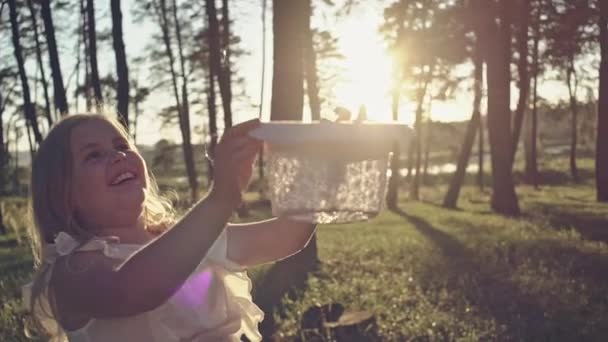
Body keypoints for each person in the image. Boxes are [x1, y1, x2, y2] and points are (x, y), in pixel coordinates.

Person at [22, 113, 317, 341]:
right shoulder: (71, 271)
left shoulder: (183, 238)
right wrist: (221, 199)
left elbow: (287, 236)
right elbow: (135, 290)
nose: (118, 156)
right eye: (93, 155)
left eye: (121, 145)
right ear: (63, 193)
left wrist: (324, 165)